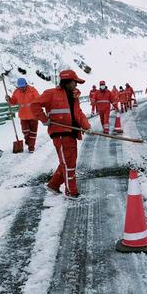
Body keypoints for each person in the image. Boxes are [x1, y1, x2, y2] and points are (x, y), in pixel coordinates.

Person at [31, 69, 90, 199]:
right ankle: (71, 192)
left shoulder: (74, 96)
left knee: (69, 161)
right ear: (68, 82)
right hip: (61, 133)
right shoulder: (51, 94)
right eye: (75, 82)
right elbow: (34, 105)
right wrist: (45, 119)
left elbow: (78, 113)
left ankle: (53, 184)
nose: (76, 85)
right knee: (69, 164)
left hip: (72, 132)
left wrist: (86, 126)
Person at [7, 77, 40, 153]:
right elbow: (13, 102)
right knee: (25, 131)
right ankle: (28, 141)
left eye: (23, 87)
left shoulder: (33, 90)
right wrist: (9, 99)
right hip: (23, 116)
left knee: (33, 133)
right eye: (20, 87)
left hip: (33, 116)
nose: (22, 88)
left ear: (26, 84)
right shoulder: (16, 92)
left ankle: (31, 147)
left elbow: (39, 100)